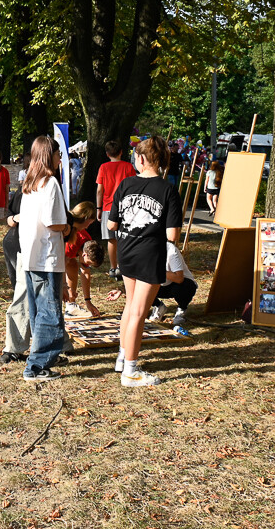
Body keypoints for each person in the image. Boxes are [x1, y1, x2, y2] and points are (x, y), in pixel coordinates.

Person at [107, 135, 181, 387]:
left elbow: (111, 224)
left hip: (126, 252)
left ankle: (122, 357)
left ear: (140, 159)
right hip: (150, 255)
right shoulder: (168, 189)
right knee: (139, 311)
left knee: (130, 307)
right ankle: (130, 370)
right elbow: (172, 235)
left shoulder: (126, 184)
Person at [18, 136, 69, 382]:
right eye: (58, 155)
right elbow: (53, 222)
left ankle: (45, 356)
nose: (60, 159)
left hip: (32, 255)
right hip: (46, 257)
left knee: (40, 311)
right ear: (49, 156)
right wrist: (67, 227)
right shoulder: (50, 183)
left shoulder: (30, 183)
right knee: (50, 312)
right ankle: (37, 366)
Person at [96, 140, 136, 279]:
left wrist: (98, 208)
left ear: (107, 154)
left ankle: (113, 268)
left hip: (108, 206)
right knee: (124, 238)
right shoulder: (128, 166)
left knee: (111, 239)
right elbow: (133, 187)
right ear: (121, 152)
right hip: (125, 207)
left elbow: (99, 190)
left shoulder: (103, 167)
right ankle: (122, 266)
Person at [0, 187, 29, 363]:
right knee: (20, 296)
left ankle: (57, 345)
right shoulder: (24, 191)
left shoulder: (50, 186)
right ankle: (13, 348)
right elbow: (9, 218)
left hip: (30, 249)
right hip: (19, 247)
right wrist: (17, 218)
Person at [144, 241, 196, 326]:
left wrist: (156, 269)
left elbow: (179, 278)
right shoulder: (141, 250)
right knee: (137, 283)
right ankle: (158, 306)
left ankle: (182, 309)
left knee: (181, 287)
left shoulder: (171, 250)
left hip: (180, 284)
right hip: (158, 285)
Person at [62, 202, 99, 317]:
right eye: (89, 223)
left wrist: (88, 301)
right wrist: (66, 287)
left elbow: (86, 272)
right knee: (70, 263)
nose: (88, 227)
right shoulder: (72, 241)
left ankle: (71, 306)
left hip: (65, 258)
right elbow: (60, 265)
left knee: (72, 264)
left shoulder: (87, 240)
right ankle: (67, 304)